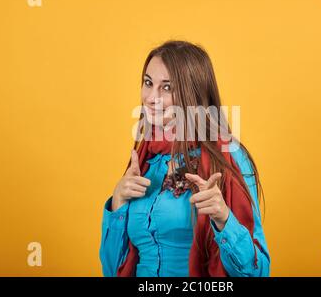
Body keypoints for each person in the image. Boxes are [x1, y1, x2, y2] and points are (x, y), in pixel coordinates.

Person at [99, 40, 270, 277]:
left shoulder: (228, 159)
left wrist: (224, 220)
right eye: (148, 83)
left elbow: (259, 272)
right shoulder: (145, 161)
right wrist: (117, 203)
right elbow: (111, 271)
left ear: (192, 93)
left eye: (167, 87)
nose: (151, 97)